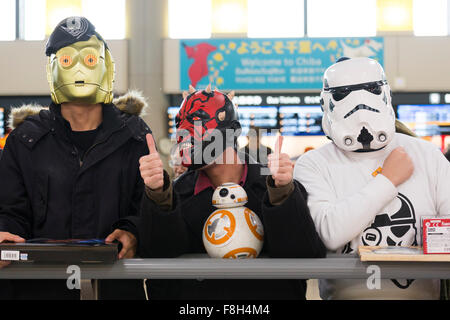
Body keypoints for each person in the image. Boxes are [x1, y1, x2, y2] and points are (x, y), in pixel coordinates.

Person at [113, 85, 326, 300]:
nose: (185, 133)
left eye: (198, 121)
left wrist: (282, 193)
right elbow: (160, 254)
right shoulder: (176, 193)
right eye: (181, 125)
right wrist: (158, 193)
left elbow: (304, 254)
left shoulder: (272, 185)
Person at [0, 17, 150, 300]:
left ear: (106, 66)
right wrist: (5, 232)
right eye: (68, 60)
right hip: (39, 290)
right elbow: (10, 209)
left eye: (90, 59)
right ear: (53, 68)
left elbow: (144, 207)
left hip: (115, 289)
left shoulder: (135, 137)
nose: (80, 68)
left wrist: (133, 232)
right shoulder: (25, 141)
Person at [294, 57, 450, 300]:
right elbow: (331, 233)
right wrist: (388, 180)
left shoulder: (426, 155)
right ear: (327, 102)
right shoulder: (313, 164)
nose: (359, 104)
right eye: (343, 93)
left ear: (385, 93)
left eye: (371, 90)